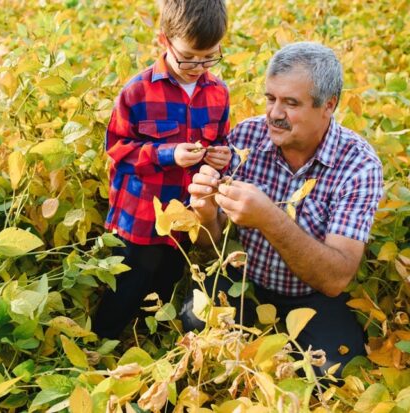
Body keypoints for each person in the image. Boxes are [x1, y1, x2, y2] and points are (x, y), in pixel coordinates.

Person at [181, 42, 384, 376]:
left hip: (312, 295)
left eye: (291, 103)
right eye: (270, 98)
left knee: (337, 370)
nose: (274, 114)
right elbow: (212, 244)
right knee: (195, 322)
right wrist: (205, 214)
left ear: (328, 106)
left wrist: (270, 218)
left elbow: (336, 278)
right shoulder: (247, 137)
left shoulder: (358, 165)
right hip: (243, 281)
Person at [93, 0, 232, 340]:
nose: (198, 66)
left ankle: (145, 338)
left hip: (182, 217)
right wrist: (167, 154)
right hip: (139, 216)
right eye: (188, 57)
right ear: (163, 41)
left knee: (165, 281)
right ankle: (102, 339)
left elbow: (225, 141)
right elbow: (118, 150)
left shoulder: (218, 94)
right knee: (129, 283)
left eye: (209, 57)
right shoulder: (137, 92)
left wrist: (222, 158)